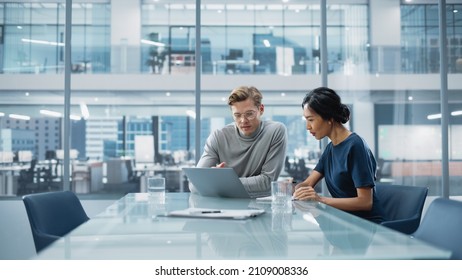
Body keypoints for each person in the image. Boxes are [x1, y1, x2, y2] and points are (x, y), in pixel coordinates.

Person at [292, 87, 383, 223]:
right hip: (342, 220)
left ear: (329, 118)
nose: (307, 127)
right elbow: (307, 184)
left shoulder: (355, 146)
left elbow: (365, 202)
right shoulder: (330, 149)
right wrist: (292, 187)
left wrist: (320, 199)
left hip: (365, 225)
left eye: (311, 120)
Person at [193, 86, 288, 198]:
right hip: (223, 208)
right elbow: (195, 184)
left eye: (249, 114)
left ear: (261, 109)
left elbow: (267, 183)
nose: (243, 121)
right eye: (237, 115)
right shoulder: (218, 137)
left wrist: (219, 182)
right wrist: (222, 182)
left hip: (258, 207)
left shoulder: (275, 131)